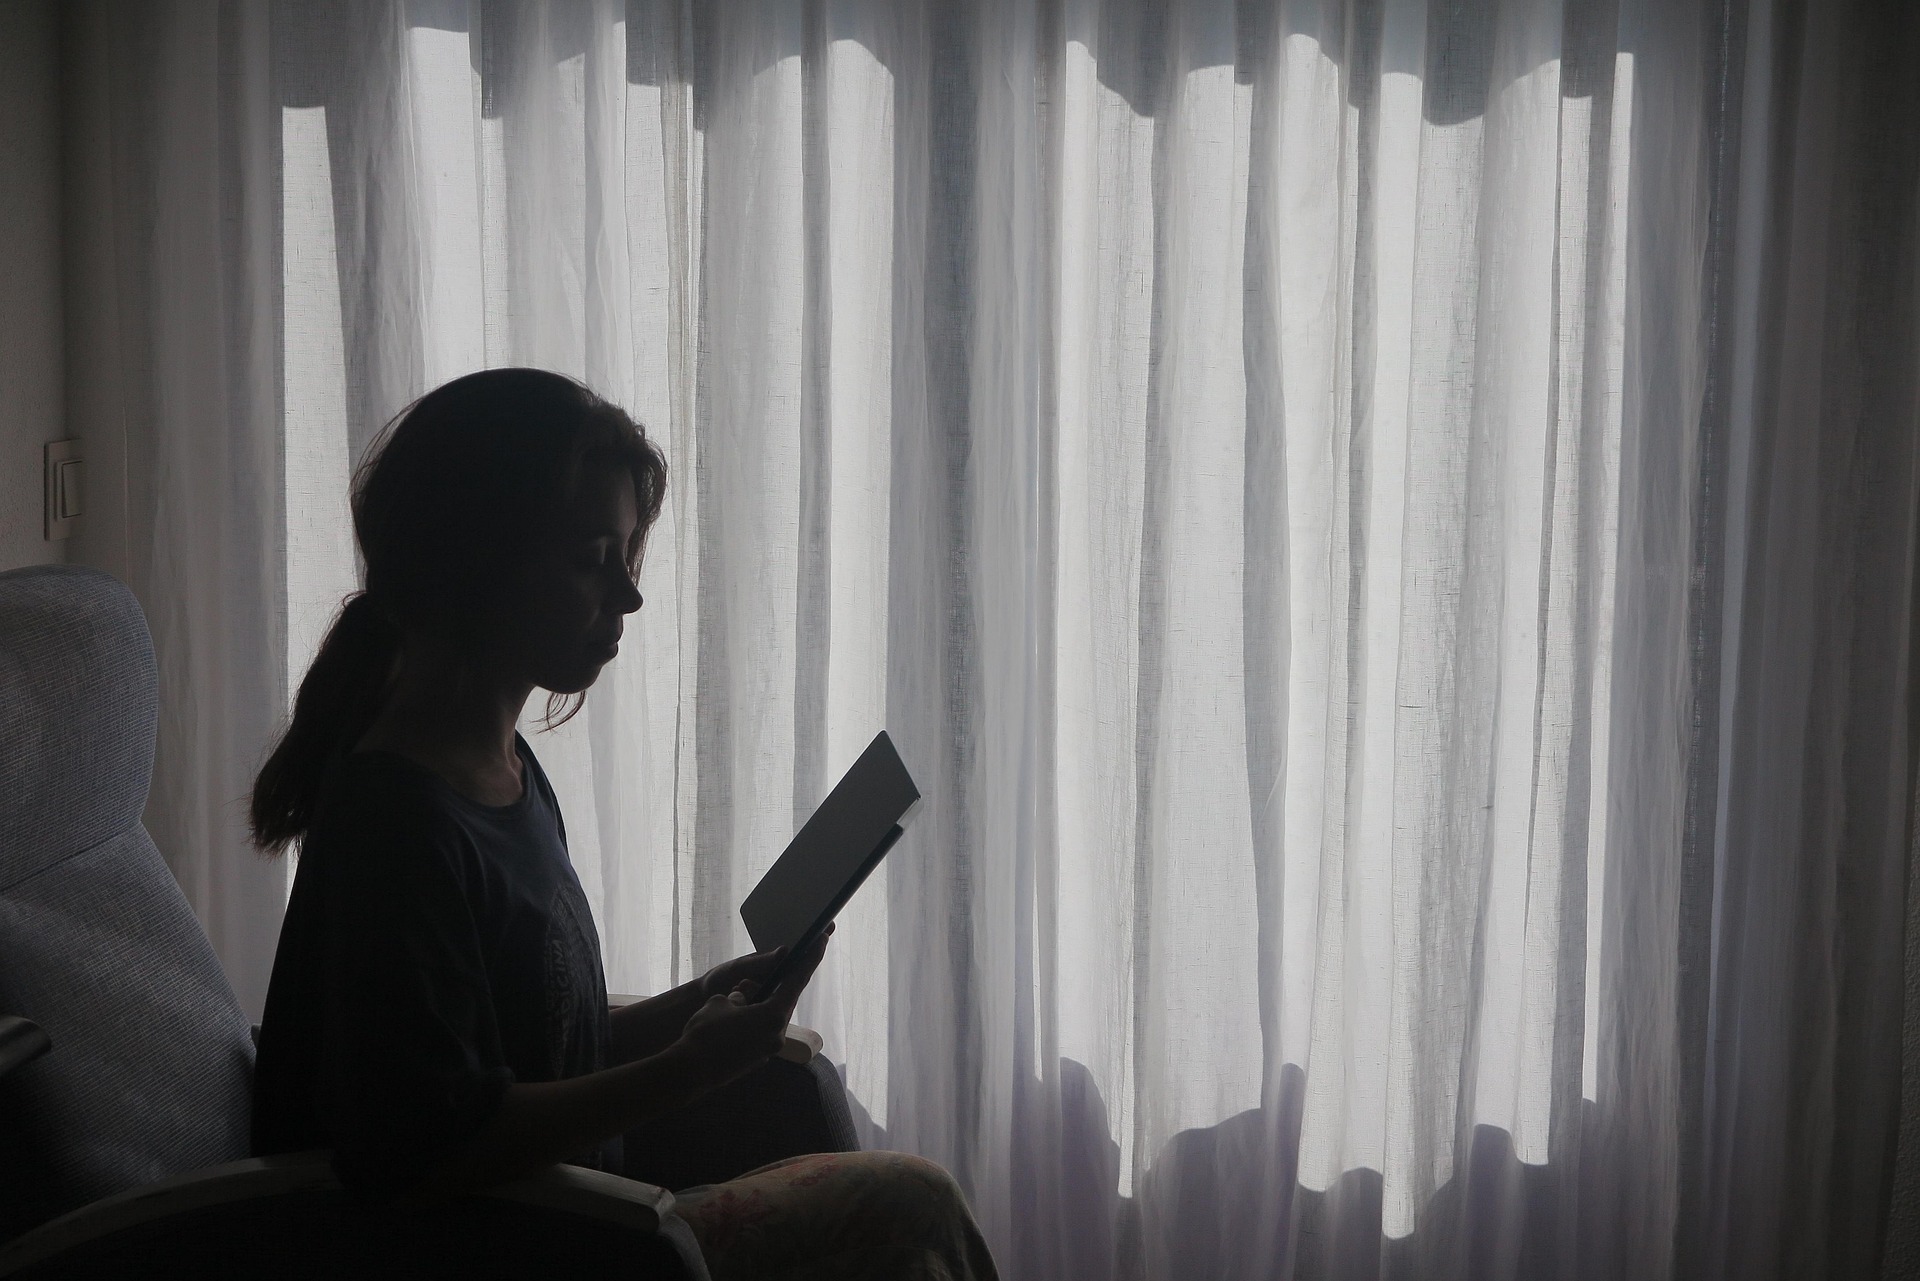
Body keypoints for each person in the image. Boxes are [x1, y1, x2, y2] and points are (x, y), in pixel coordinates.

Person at [248, 368, 997, 1280]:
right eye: (591, 559)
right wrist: (691, 1068)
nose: (629, 598)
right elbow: (435, 1145)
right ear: (476, 559)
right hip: (521, 1243)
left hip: (584, 1219)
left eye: (627, 556)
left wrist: (704, 1001)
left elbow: (539, 1042)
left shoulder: (507, 773)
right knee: (909, 1208)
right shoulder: (396, 827)